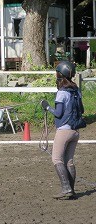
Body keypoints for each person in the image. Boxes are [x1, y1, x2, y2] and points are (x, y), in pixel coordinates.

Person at [41, 61, 84, 200]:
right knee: (69, 161)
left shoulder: (62, 92)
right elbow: (81, 109)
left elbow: (58, 113)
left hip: (64, 131)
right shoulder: (76, 90)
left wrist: (47, 107)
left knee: (56, 159)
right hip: (75, 131)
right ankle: (71, 190)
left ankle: (66, 189)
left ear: (60, 74)